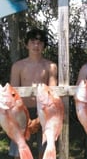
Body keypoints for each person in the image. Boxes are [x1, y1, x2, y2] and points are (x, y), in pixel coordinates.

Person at [9, 28, 58, 159]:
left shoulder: (51, 66)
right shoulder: (17, 66)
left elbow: (52, 94)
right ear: (26, 44)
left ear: (44, 46)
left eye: (40, 42)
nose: (36, 45)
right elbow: (12, 94)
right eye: (33, 41)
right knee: (20, 152)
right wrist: (24, 118)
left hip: (44, 112)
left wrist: (39, 119)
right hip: (21, 113)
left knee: (46, 152)